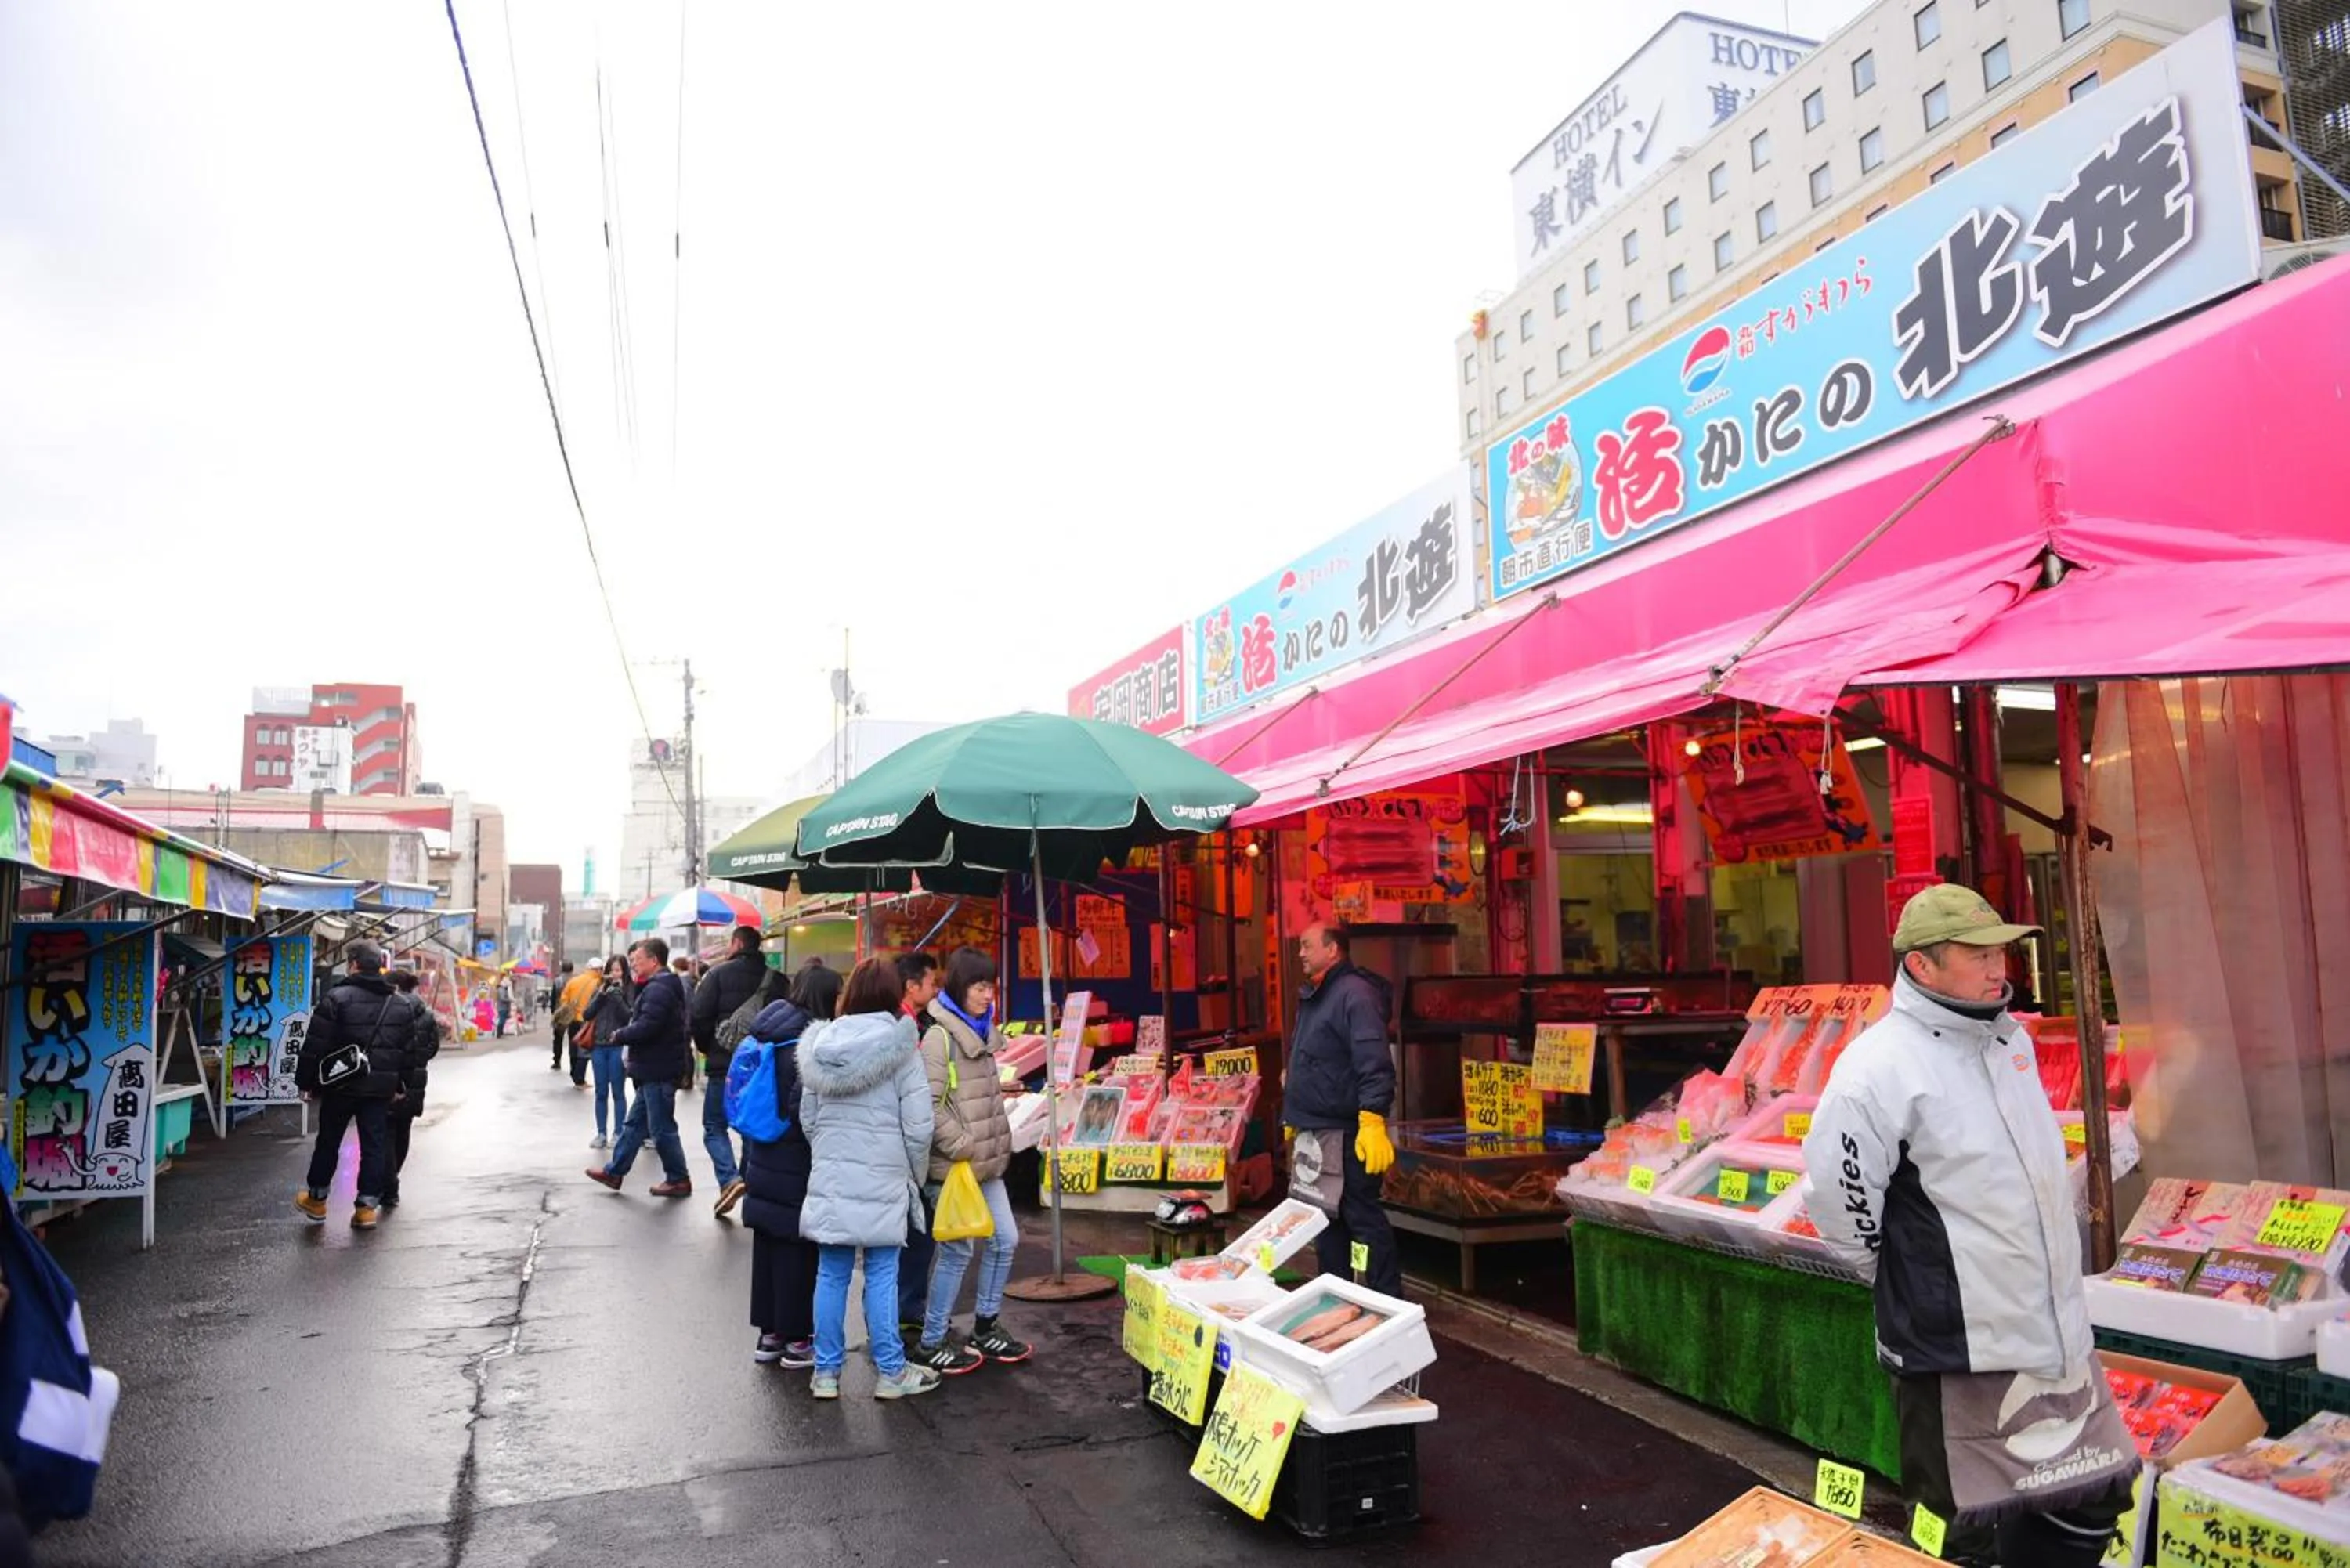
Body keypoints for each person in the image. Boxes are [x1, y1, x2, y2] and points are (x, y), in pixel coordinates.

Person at [1804, 884, 2135, 1567]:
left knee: (2093, 1494)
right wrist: (1906, 1275)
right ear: (1922, 966)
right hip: (1955, 1345)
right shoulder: (1877, 1067)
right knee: (1959, 1529)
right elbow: (1839, 1199)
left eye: (2002, 953)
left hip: (2051, 1331)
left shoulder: (2007, 1042)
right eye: (1978, 954)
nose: (1999, 969)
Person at [797, 957, 938, 1401]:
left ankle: (825, 1373)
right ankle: (891, 1373)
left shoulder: (820, 1047)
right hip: (885, 1176)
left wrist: (830, 1156)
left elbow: (809, 1120)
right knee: (882, 1274)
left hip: (833, 1175)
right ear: (893, 995)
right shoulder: (902, 1049)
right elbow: (920, 1128)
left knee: (831, 1273)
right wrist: (913, 1178)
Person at [909, 947, 1029, 1376]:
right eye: (981, 986)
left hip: (987, 1164)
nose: (988, 994)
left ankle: (985, 1325)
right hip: (955, 1165)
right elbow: (927, 1104)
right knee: (958, 1251)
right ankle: (932, 1340)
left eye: (991, 986)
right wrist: (961, 1142)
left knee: (1005, 1239)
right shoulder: (939, 1038)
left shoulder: (983, 1032)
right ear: (961, 988)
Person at [1282, 922, 1401, 1296]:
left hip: (1346, 1133)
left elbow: (1374, 1061)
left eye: (1306, 945)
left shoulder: (1355, 994)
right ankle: (1334, 1296)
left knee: (1361, 1219)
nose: (1300, 953)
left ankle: (1384, 1300)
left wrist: (1372, 1118)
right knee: (1326, 1220)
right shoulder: (1319, 993)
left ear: (1332, 949)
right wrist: (1294, 1110)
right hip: (1316, 1131)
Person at [741, 963, 840, 1369]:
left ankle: (770, 1336)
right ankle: (799, 1341)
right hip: (795, 1156)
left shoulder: (767, 1027)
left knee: (768, 1242)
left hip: (761, 1149)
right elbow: (806, 1110)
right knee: (798, 1248)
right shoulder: (810, 1040)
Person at [295, 941, 426, 1230]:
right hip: (379, 1089)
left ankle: (316, 1201)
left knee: (329, 1141)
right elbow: (409, 1052)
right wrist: (402, 1084)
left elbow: (315, 1046)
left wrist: (306, 1082)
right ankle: (366, 1208)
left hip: (340, 1085)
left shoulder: (336, 998)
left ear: (353, 964)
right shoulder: (400, 1004)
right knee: (375, 1145)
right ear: (379, 965)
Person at [584, 938, 694, 1198]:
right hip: (652, 1068)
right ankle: (615, 1171)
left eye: (637, 960)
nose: (632, 963)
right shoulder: (660, 985)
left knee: (661, 1128)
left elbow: (648, 1026)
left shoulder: (659, 989)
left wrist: (621, 1034)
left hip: (659, 1067)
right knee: (634, 1125)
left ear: (654, 961)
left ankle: (678, 1178)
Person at [691, 925, 769, 1219]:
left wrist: (708, 1048)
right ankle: (746, 1183)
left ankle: (730, 1179)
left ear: (736, 943)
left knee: (714, 1125)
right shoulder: (775, 980)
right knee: (750, 1127)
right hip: (760, 1067)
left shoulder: (718, 975)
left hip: (724, 1064)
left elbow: (699, 1016)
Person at [891, 949, 943, 1341]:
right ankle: (905, 1310)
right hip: (903, 1149)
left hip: (893, 1147)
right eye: (932, 982)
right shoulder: (902, 1027)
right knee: (914, 1233)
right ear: (912, 986)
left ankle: (903, 1308)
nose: (936, 989)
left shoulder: (913, 1021)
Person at [381, 969, 443, 1210]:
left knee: (384, 1133)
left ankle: (389, 1186)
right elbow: (432, 1047)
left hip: (389, 1079)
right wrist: (416, 1061)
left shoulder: (388, 1010)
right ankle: (391, 1178)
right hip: (416, 1081)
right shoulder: (426, 1014)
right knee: (403, 1131)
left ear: (395, 987)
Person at [579, 956, 632, 1149]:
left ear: (624, 972)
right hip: (599, 1047)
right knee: (601, 1092)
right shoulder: (600, 989)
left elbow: (628, 1016)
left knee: (618, 1092)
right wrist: (602, 995)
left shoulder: (628, 990)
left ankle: (618, 1132)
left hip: (617, 1045)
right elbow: (587, 1014)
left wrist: (617, 996)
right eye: (611, 970)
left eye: (619, 970)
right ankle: (601, 1133)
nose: (615, 974)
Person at [557, 959, 601, 1084]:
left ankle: (573, 1072)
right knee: (584, 1048)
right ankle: (579, 1078)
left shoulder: (573, 981)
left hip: (573, 1019)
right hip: (587, 1020)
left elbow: (564, 999)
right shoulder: (597, 982)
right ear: (597, 970)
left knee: (573, 1046)